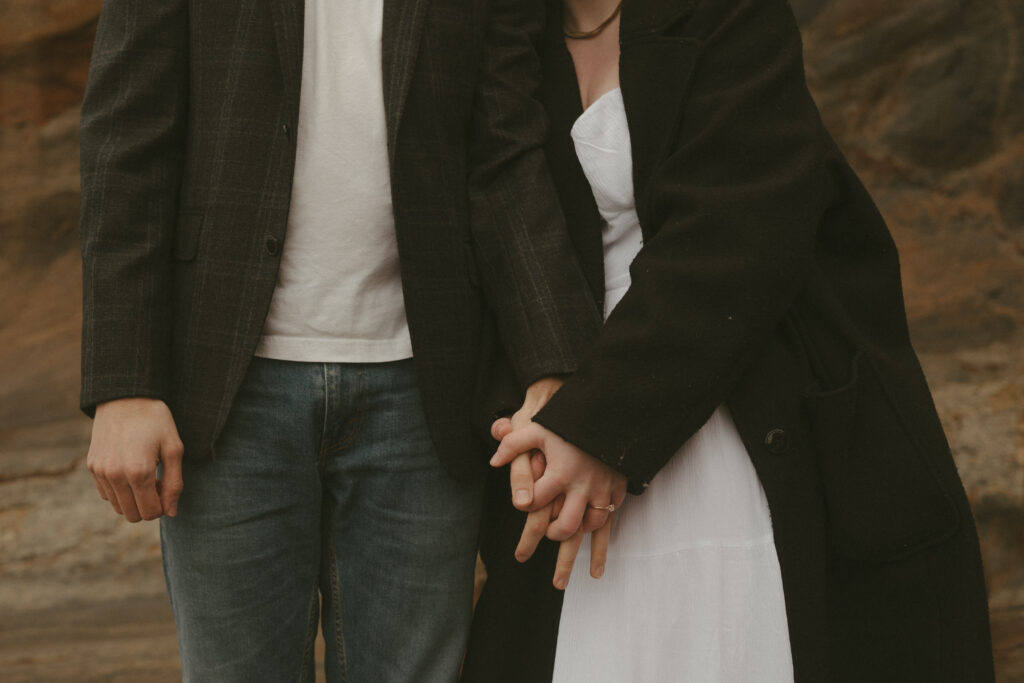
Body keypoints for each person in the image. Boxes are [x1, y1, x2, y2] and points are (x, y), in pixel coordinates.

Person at [464, 0, 995, 681]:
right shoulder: (502, 30)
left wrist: (601, 425)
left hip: (717, 390)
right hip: (561, 415)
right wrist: (547, 382)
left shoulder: (729, 10)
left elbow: (741, 228)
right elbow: (492, 216)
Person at [78, 1, 604, 681]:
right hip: (228, 394)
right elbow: (126, 135)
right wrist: (125, 381)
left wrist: (555, 367)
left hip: (424, 394)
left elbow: (504, 150)